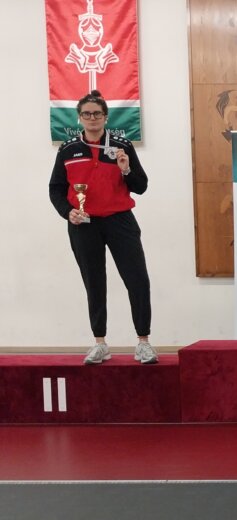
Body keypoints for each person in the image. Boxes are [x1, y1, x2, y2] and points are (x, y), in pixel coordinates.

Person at [48, 90, 157, 365]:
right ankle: (100, 343)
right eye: (87, 113)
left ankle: (143, 342)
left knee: (138, 280)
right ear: (79, 118)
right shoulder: (68, 149)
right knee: (94, 282)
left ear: (106, 117)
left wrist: (126, 169)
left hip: (120, 221)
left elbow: (141, 186)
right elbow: (56, 189)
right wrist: (68, 212)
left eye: (97, 113)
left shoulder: (122, 147)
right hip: (84, 224)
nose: (92, 118)